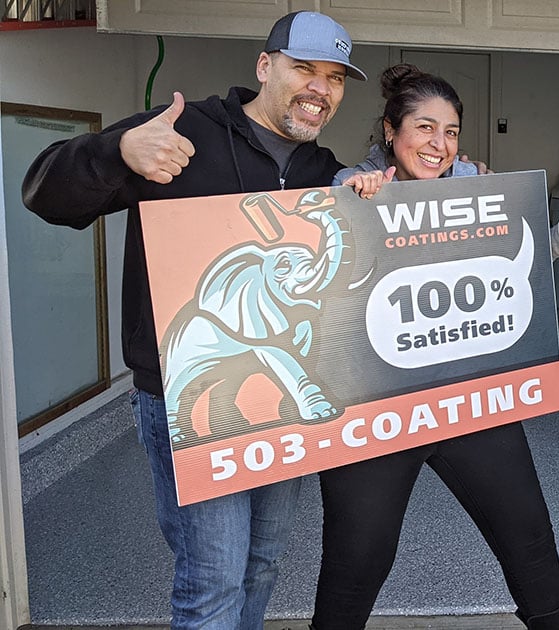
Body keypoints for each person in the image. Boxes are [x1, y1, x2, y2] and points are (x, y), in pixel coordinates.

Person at [21, 11, 378, 629]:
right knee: (211, 579)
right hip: (190, 401)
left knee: (262, 564)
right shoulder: (180, 131)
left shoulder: (322, 172)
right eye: (304, 69)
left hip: (281, 401)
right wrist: (118, 151)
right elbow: (43, 193)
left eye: (335, 78)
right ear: (265, 67)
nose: (321, 88)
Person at [314, 64, 559, 630]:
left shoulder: (475, 183)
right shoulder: (352, 183)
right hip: (378, 408)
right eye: (424, 128)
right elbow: (320, 282)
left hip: (470, 395)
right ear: (390, 131)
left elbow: (506, 263)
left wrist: (558, 241)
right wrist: (349, 208)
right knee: (356, 560)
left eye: (451, 131)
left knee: (528, 534)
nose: (439, 145)